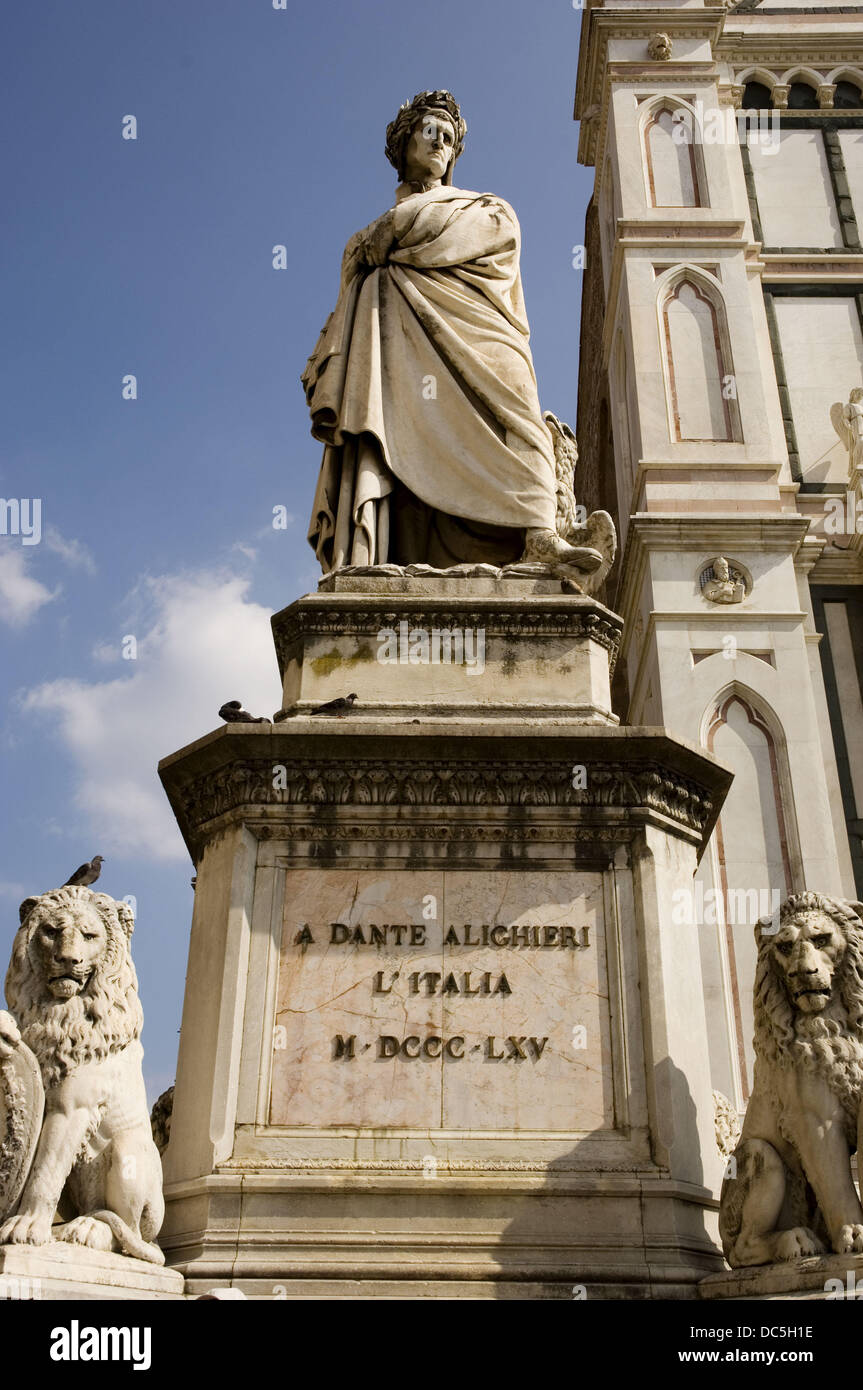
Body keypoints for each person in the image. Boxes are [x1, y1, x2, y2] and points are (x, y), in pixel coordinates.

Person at [303, 90, 604, 576]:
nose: (440, 142)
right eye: (429, 132)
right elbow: (358, 271)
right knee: (398, 432)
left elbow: (492, 237)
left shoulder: (485, 208)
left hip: (484, 331)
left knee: (520, 413)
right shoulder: (365, 238)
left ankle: (539, 532)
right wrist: (388, 238)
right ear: (404, 147)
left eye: (449, 137)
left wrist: (395, 233)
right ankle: (389, 552)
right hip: (397, 344)